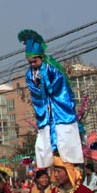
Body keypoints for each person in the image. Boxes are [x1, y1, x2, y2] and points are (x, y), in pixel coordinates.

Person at [18, 28, 83, 167]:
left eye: (34, 61)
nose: (32, 64)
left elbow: (60, 85)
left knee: (64, 136)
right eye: (30, 62)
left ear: (41, 57)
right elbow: (34, 91)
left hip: (59, 110)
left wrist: (45, 82)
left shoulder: (51, 68)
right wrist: (38, 86)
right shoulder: (30, 74)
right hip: (45, 111)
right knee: (45, 139)